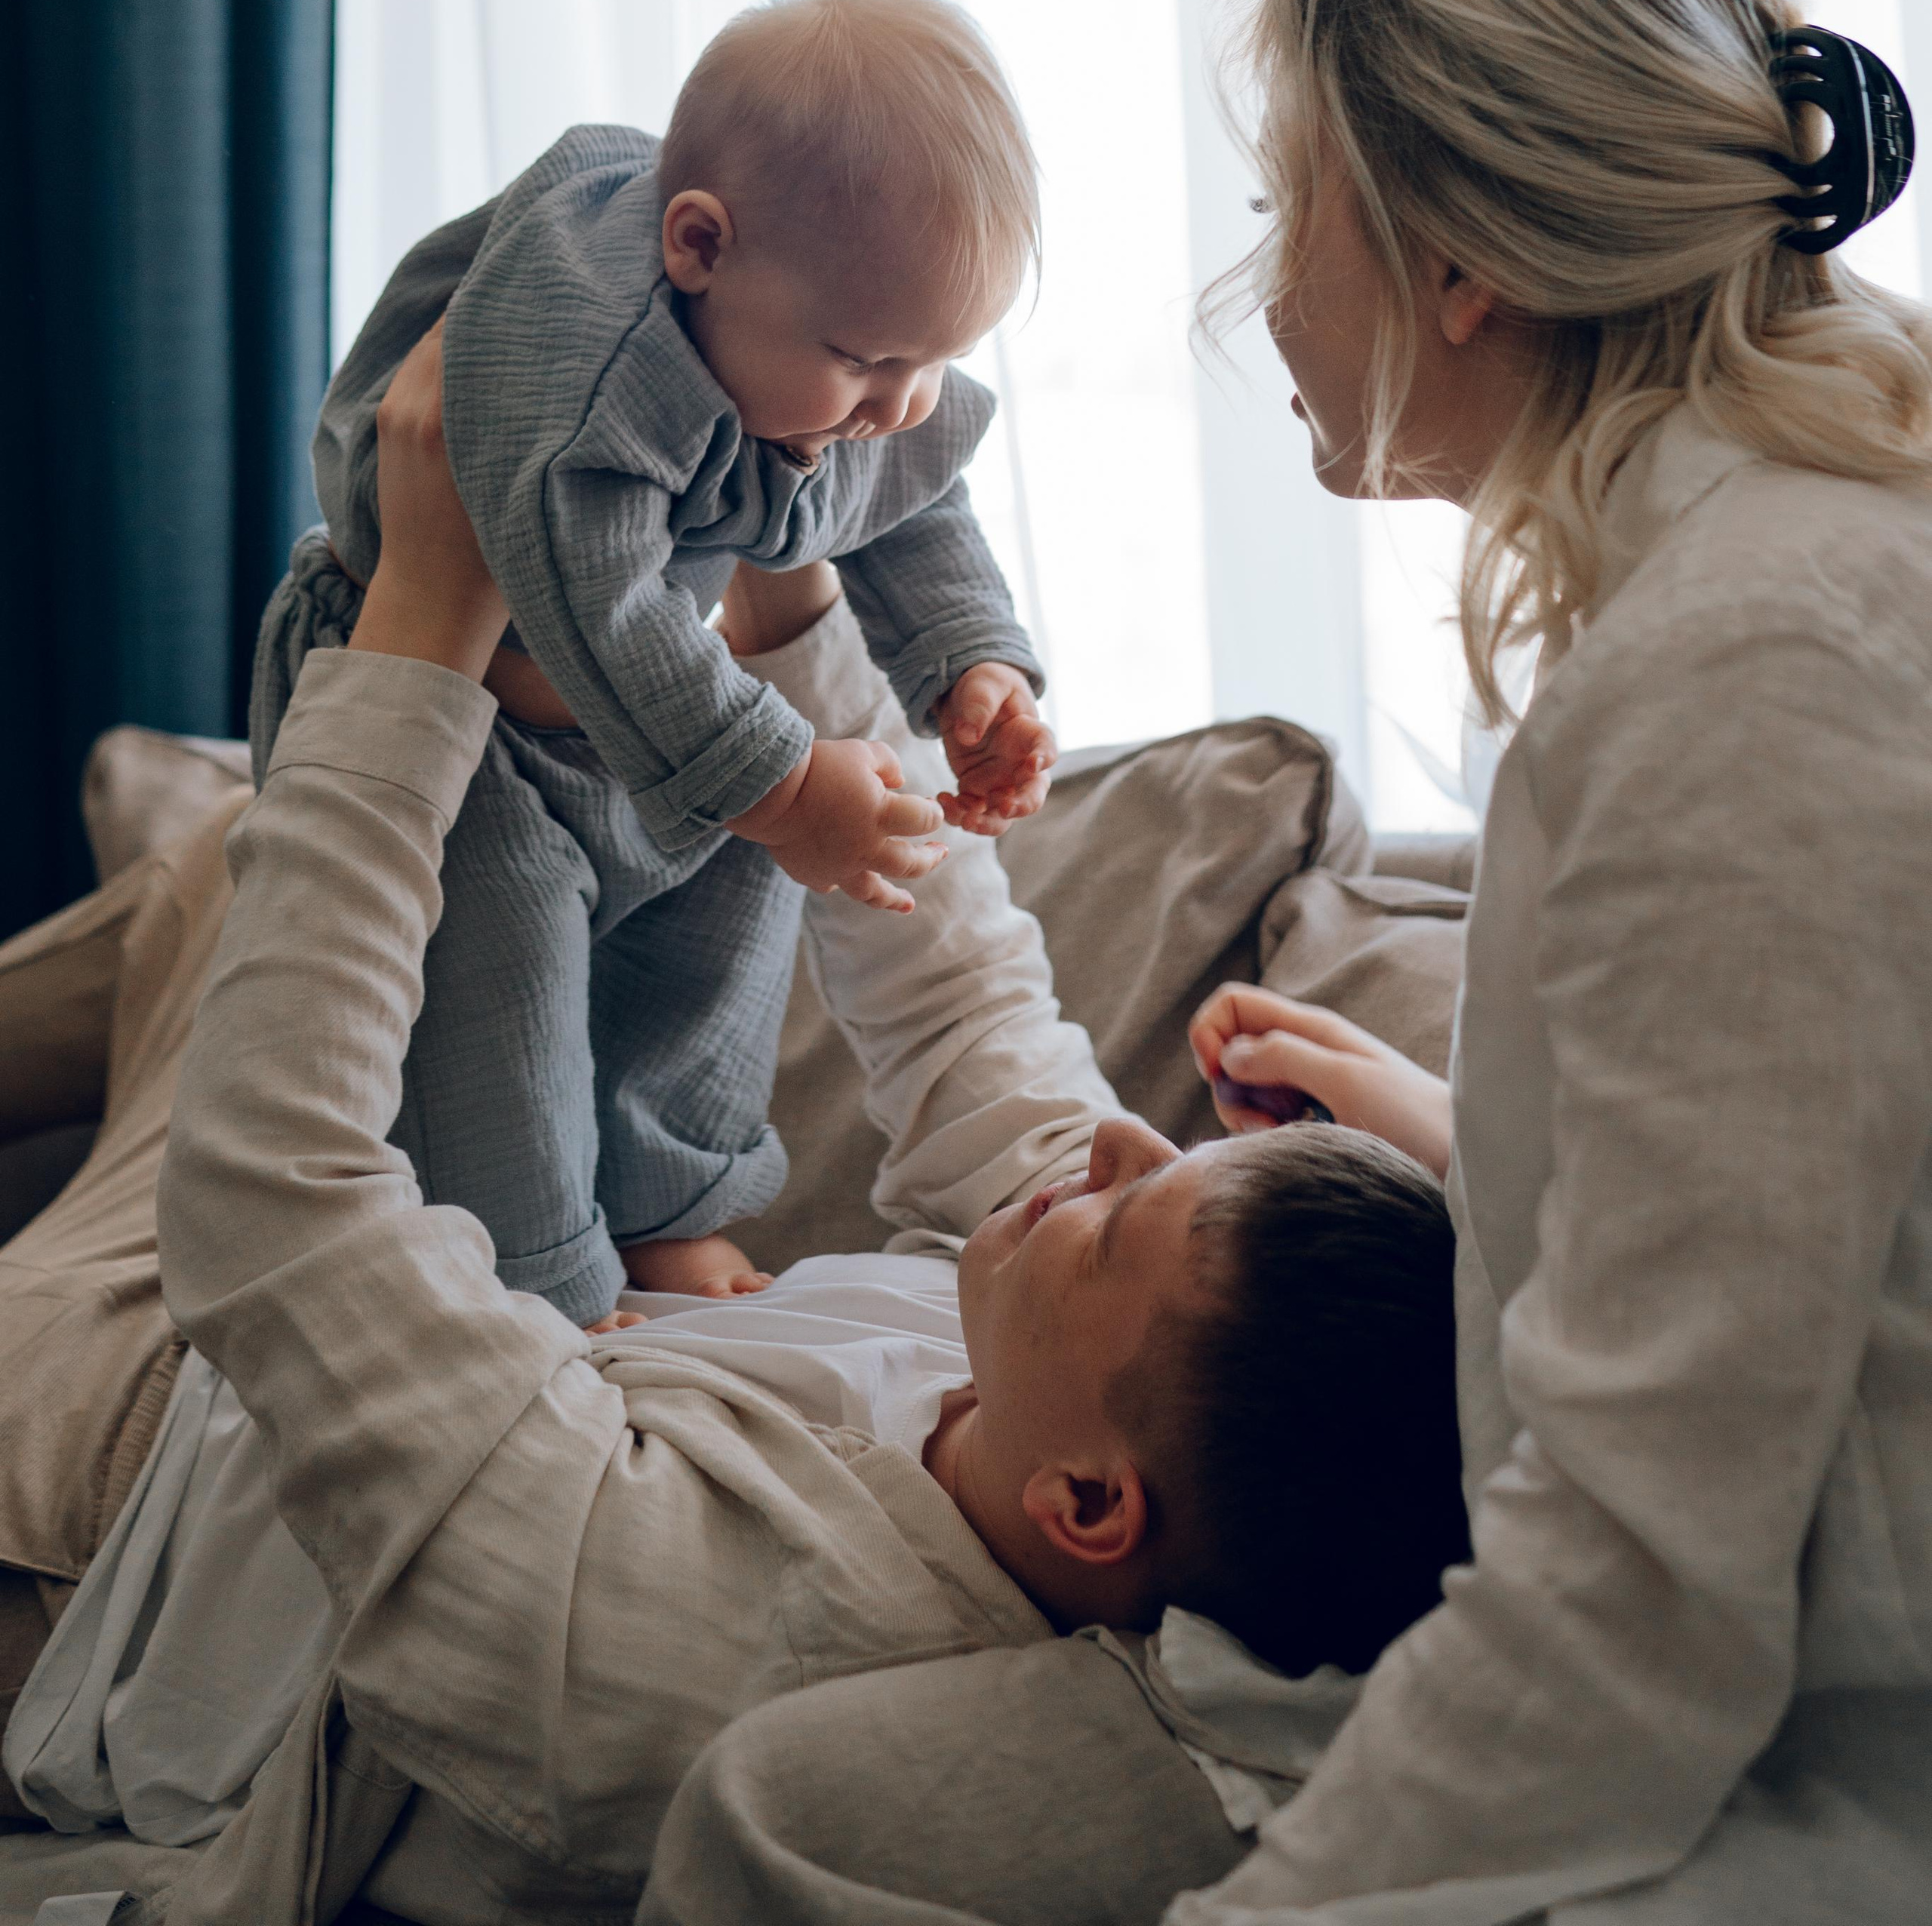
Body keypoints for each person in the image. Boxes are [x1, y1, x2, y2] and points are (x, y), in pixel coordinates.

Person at [648, 0, 1932, 1926]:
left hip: (1789, 1813)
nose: (1253, 294)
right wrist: (1463, 1140)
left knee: (766, 1829)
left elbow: (1639, 1610)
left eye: (1284, 206)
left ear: (1454, 266)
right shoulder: (1768, 602)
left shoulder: (1752, 674)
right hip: (1642, 1698)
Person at [0, 330, 1466, 1924]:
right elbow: (971, 1016)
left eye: (1131, 1215)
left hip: (120, 1479)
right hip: (290, 1299)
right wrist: (794, 569)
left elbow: (282, 1210)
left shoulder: (692, 1621)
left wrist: (418, 627)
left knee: (276, 868)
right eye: (1180, 1155)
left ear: (1094, 1508)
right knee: (242, 868)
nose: (1118, 1150)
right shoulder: (1042, 1391)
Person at [251, 0, 1057, 1321]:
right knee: (498, 994)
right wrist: (792, 790)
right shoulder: (578, 354)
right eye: (872, 360)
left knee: (729, 921)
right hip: (458, 718)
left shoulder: (815, 340)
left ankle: (664, 1210)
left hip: (639, 715)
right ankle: (540, 1277)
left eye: (937, 359)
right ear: (697, 246)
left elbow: (910, 486)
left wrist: (973, 665)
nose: (901, 401)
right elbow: (596, 601)